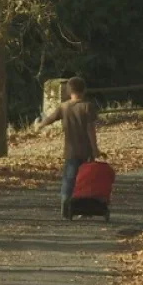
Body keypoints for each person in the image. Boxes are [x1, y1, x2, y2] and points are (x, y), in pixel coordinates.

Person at [34, 76, 100, 218]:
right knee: (86, 180)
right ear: (84, 90)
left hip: (70, 151)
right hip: (86, 151)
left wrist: (40, 125)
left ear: (69, 91)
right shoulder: (87, 106)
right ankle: (84, 209)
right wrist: (95, 148)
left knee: (69, 179)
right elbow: (90, 130)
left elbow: (50, 118)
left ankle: (65, 204)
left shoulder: (64, 107)